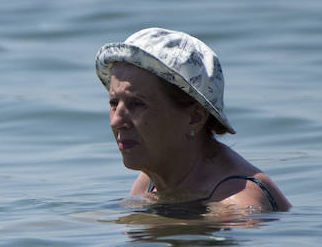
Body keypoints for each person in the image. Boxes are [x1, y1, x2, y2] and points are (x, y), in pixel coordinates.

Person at [95, 27, 290, 213]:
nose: (116, 121)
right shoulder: (151, 180)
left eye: (137, 104)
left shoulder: (237, 201)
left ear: (195, 117)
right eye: (114, 103)